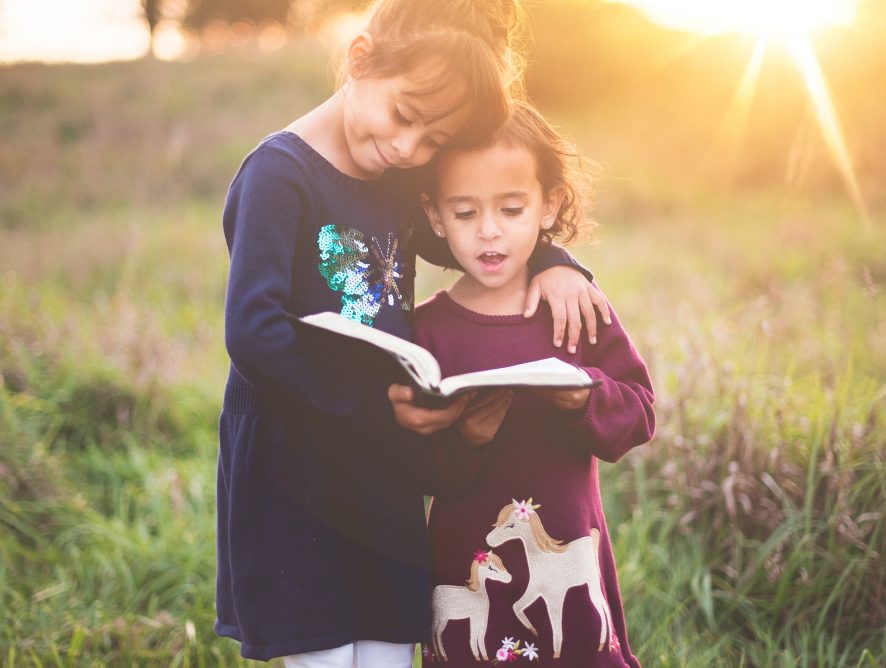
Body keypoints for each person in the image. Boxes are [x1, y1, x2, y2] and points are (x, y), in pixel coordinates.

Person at [216, 1, 610, 665]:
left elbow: (475, 236)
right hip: (295, 471)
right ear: (360, 58)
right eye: (404, 116)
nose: (409, 149)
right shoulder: (279, 175)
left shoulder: (395, 178)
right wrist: (373, 405)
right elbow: (252, 332)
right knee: (323, 652)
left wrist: (555, 260)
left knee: (390, 649)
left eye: (433, 141)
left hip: (382, 469)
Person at [415, 101, 656, 667]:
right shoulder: (426, 330)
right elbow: (413, 467)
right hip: (465, 561)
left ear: (548, 205)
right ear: (434, 215)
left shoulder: (574, 307)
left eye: (512, 207)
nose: (490, 230)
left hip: (569, 548)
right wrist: (466, 437)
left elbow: (640, 414)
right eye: (465, 212)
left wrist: (585, 396)